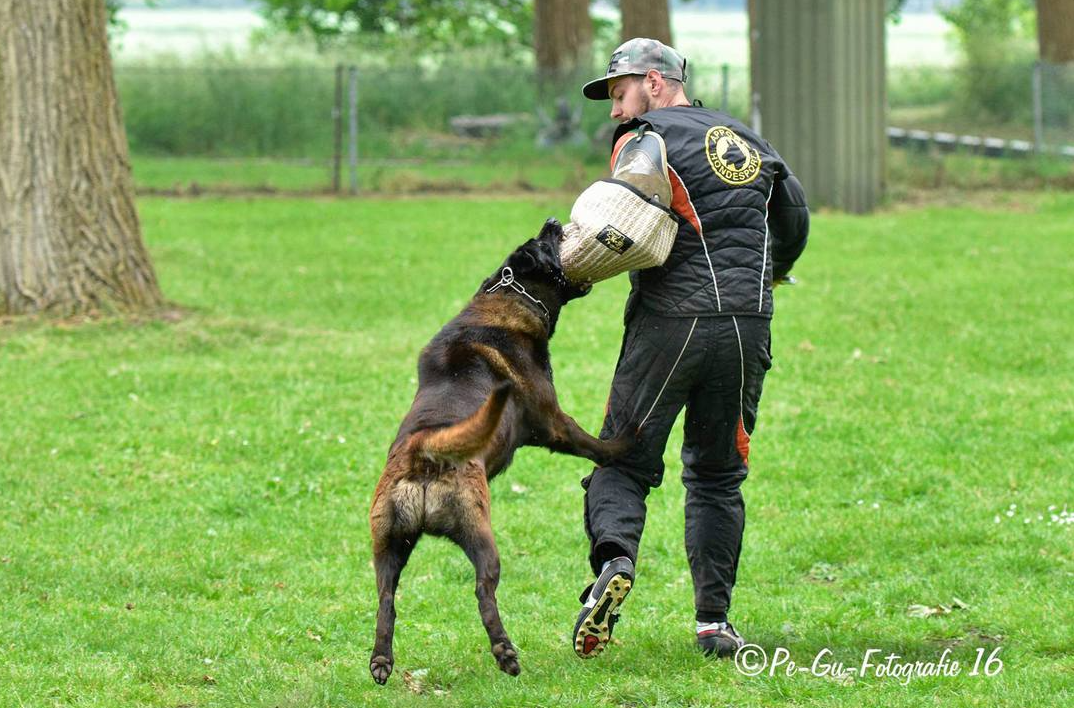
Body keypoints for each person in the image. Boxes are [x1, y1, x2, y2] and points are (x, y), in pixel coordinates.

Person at [571, 38, 809, 659]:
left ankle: (614, 563)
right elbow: (795, 216)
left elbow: (623, 218)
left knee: (622, 462)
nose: (615, 110)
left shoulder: (645, 135)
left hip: (671, 323)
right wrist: (769, 272)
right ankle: (714, 624)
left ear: (654, 83)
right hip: (748, 323)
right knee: (718, 475)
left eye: (619, 93)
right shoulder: (746, 139)